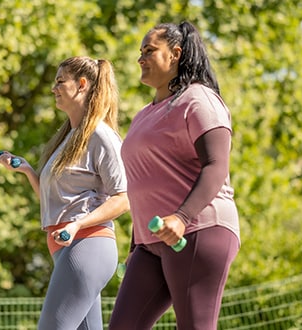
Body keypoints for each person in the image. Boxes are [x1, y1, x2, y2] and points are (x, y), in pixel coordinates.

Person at [109, 21, 240, 329]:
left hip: (199, 230)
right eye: (140, 52)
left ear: (176, 54)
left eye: (150, 50)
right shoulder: (144, 113)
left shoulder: (199, 100)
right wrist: (134, 246)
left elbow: (216, 166)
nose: (141, 58)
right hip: (150, 242)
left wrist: (181, 217)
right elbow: (146, 184)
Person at [0, 56, 129, 330]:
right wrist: (29, 172)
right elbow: (58, 202)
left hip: (88, 246)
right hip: (65, 248)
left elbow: (124, 198)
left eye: (60, 81)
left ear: (82, 85)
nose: (53, 89)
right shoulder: (69, 137)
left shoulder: (100, 136)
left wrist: (78, 223)